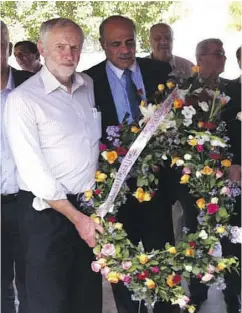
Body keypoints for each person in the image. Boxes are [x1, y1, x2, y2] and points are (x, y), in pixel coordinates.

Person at [4, 18, 103, 313]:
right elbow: (34, 170)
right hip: (45, 214)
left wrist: (89, 213)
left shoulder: (88, 85)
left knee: (86, 295)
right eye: (60, 47)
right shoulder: (23, 99)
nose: (69, 54)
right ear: (42, 49)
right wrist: (77, 218)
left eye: (75, 47)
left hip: (86, 208)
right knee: (49, 300)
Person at [86, 15, 178, 313]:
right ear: (102, 45)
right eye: (116, 44)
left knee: (163, 254)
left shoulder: (158, 70)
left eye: (130, 42)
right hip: (114, 191)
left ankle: (167, 307)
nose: (125, 50)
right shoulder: (89, 80)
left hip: (157, 185)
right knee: (121, 263)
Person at [1, 20, 33, 313]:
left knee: (31, 281)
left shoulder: (31, 86)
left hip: (28, 203)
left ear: (8, 49)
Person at [221, 45, 241, 313]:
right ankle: (232, 295)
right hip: (236, 180)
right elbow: (221, 135)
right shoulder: (229, 92)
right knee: (233, 240)